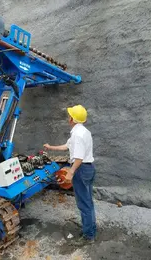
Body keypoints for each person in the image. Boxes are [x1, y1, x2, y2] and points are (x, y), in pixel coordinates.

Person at [44, 105, 96, 245]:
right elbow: (66, 146)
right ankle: (90, 229)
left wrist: (70, 173)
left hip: (81, 169)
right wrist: (50, 147)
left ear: (72, 119)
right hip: (88, 168)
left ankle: (88, 236)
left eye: (69, 115)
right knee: (88, 202)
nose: (68, 117)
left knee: (84, 204)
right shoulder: (82, 132)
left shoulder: (78, 135)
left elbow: (78, 158)